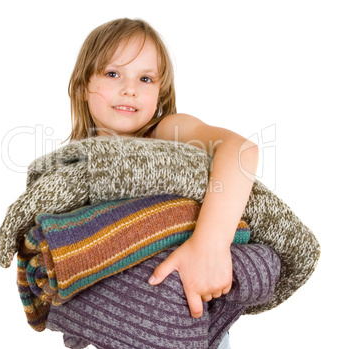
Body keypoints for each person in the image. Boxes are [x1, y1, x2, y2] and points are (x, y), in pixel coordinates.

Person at [66, 18, 259, 348]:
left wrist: (209, 246)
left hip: (188, 317)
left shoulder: (165, 132)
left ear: (160, 92)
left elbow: (241, 150)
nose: (130, 88)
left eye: (145, 78)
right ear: (85, 86)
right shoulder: (76, 167)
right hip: (124, 328)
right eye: (113, 74)